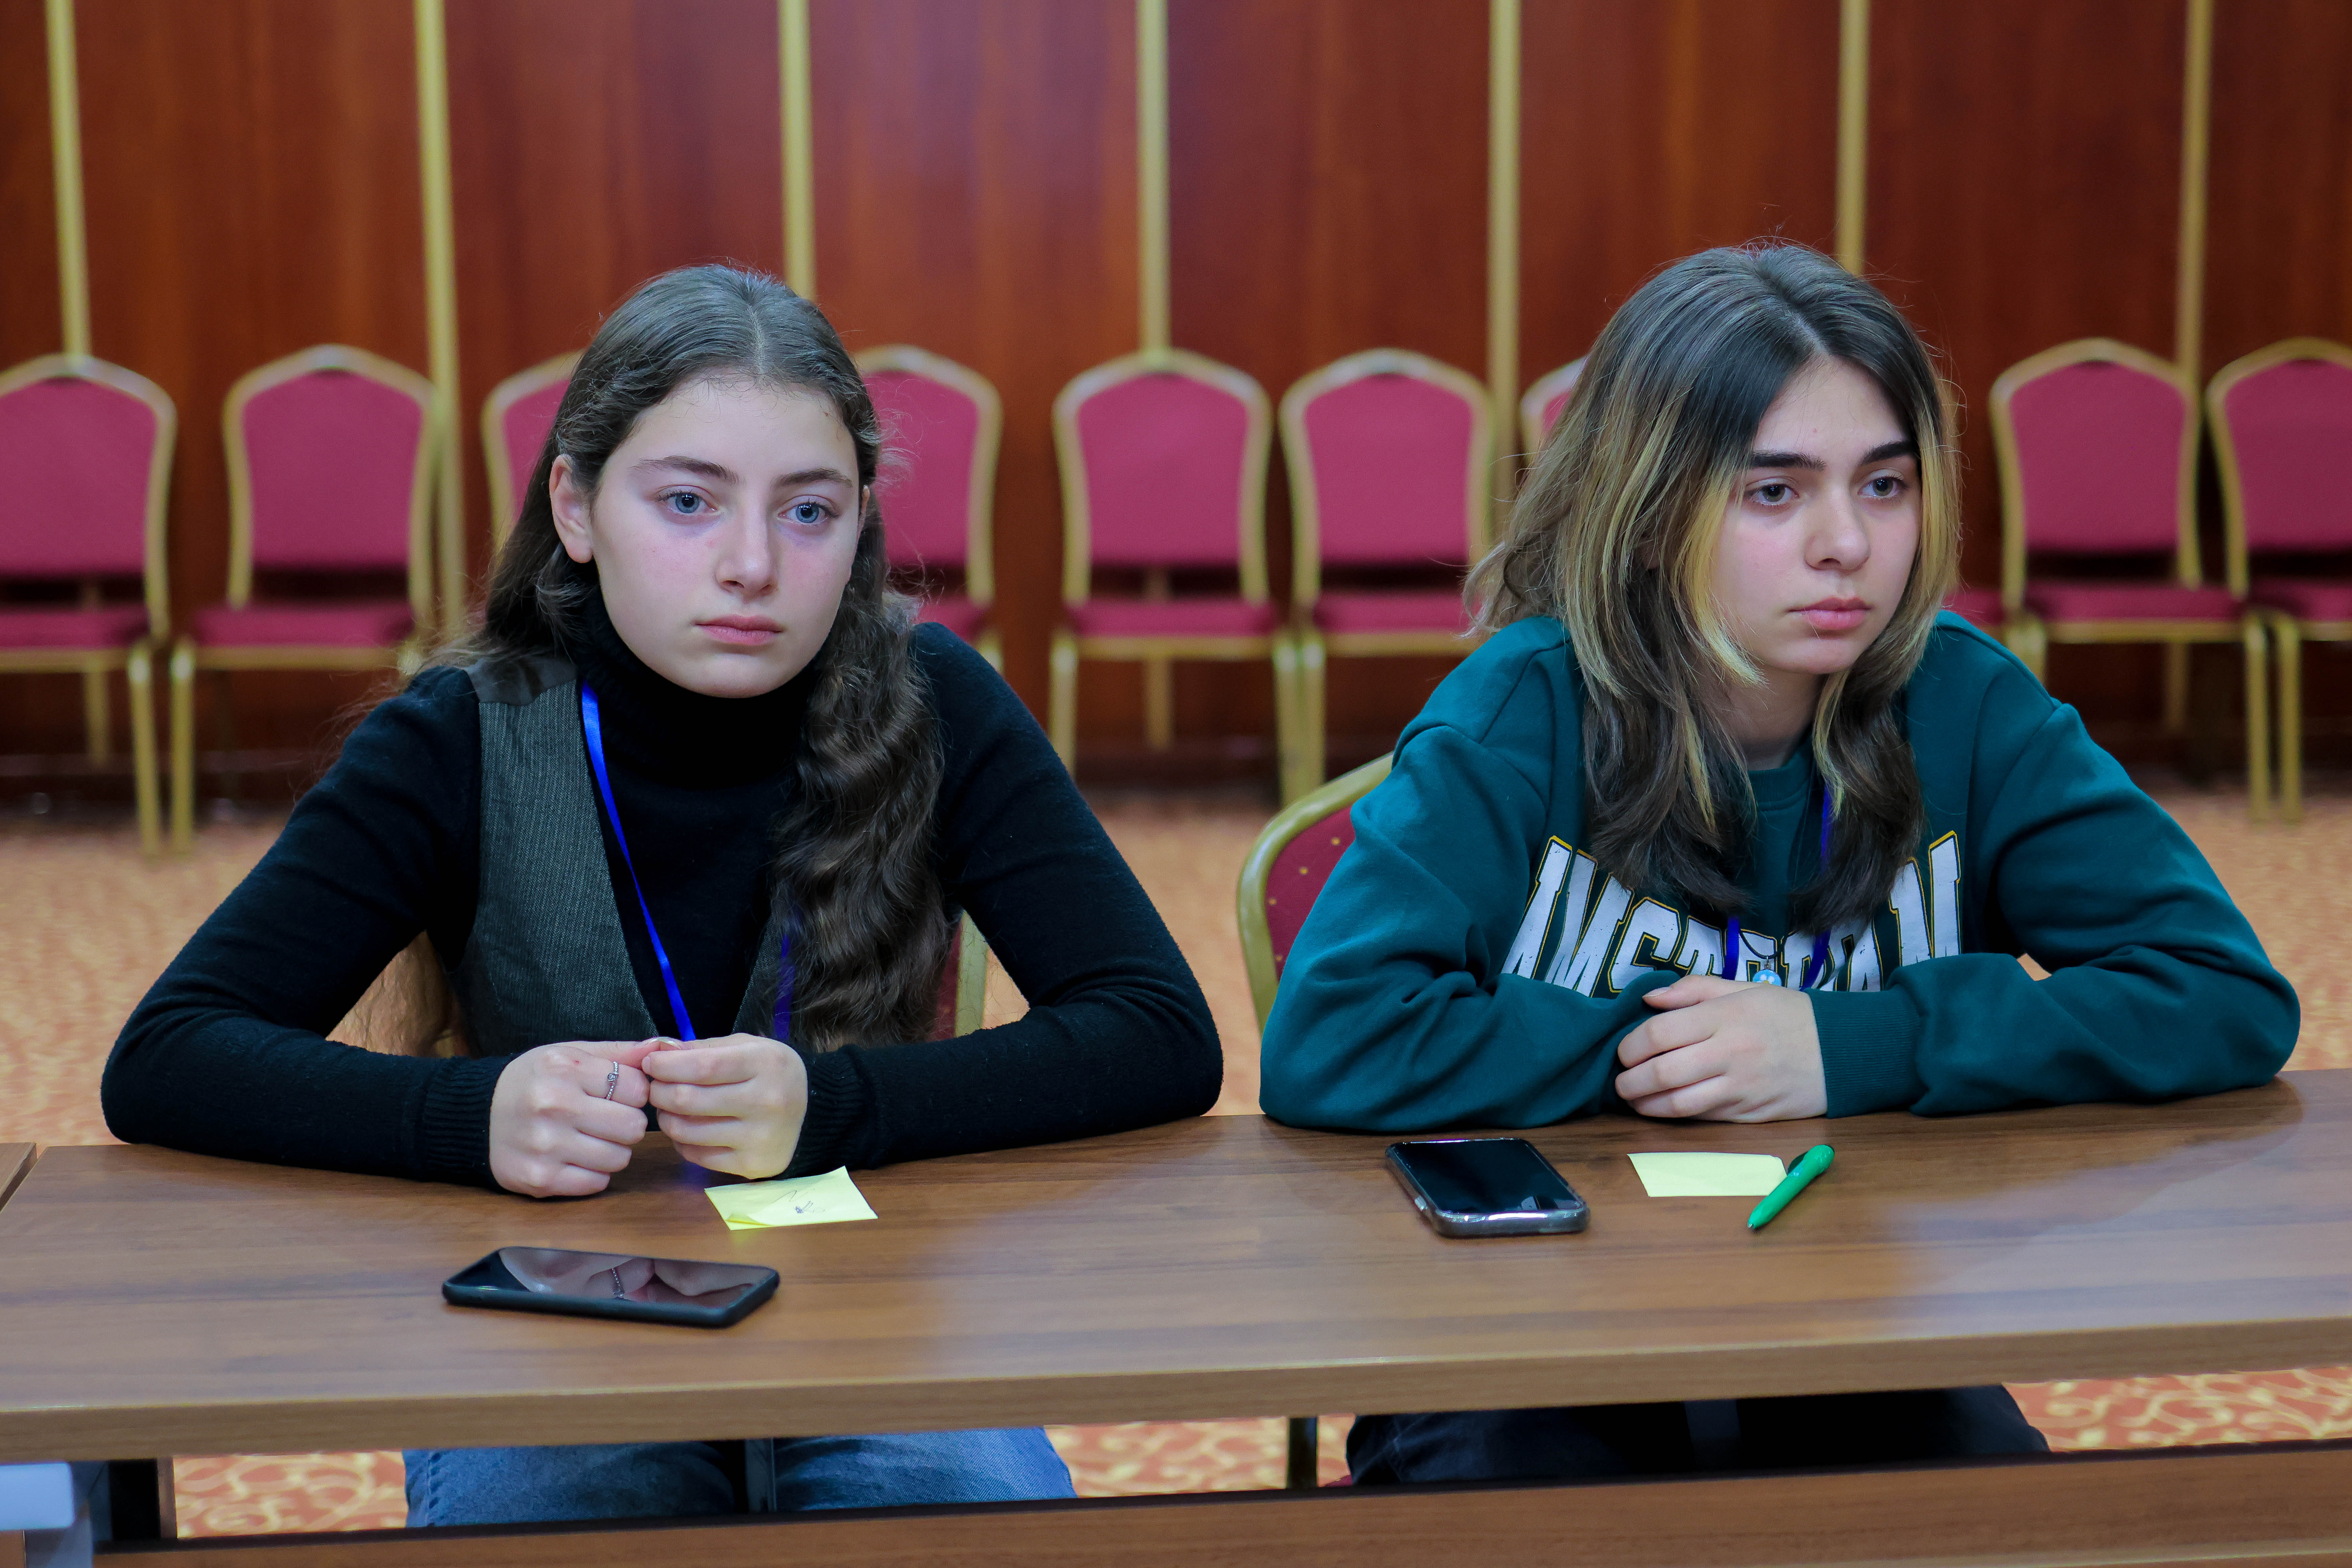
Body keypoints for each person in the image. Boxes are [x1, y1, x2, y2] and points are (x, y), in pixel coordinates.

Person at [104, 264, 1223, 1522]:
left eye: (810, 512)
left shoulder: (937, 700)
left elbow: (1158, 1031)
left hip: (876, 1293)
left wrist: (838, 1106)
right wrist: (467, 1118)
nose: (752, 565)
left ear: (862, 524)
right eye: (688, 502)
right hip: (556, 1305)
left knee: (959, 1513)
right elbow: (169, 1055)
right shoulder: (460, 734)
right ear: (577, 508)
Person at [1257, 243, 2297, 1483]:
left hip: (1865, 1303)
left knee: (1995, 1514)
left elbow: (2222, 995)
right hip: (1519, 1329)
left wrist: (1849, 1044)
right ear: (1649, 514)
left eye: (1886, 485)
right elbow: (1335, 1041)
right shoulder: (1519, 712)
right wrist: (1676, 1053)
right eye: (1773, 492)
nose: (1845, 542)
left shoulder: (1969, 706)